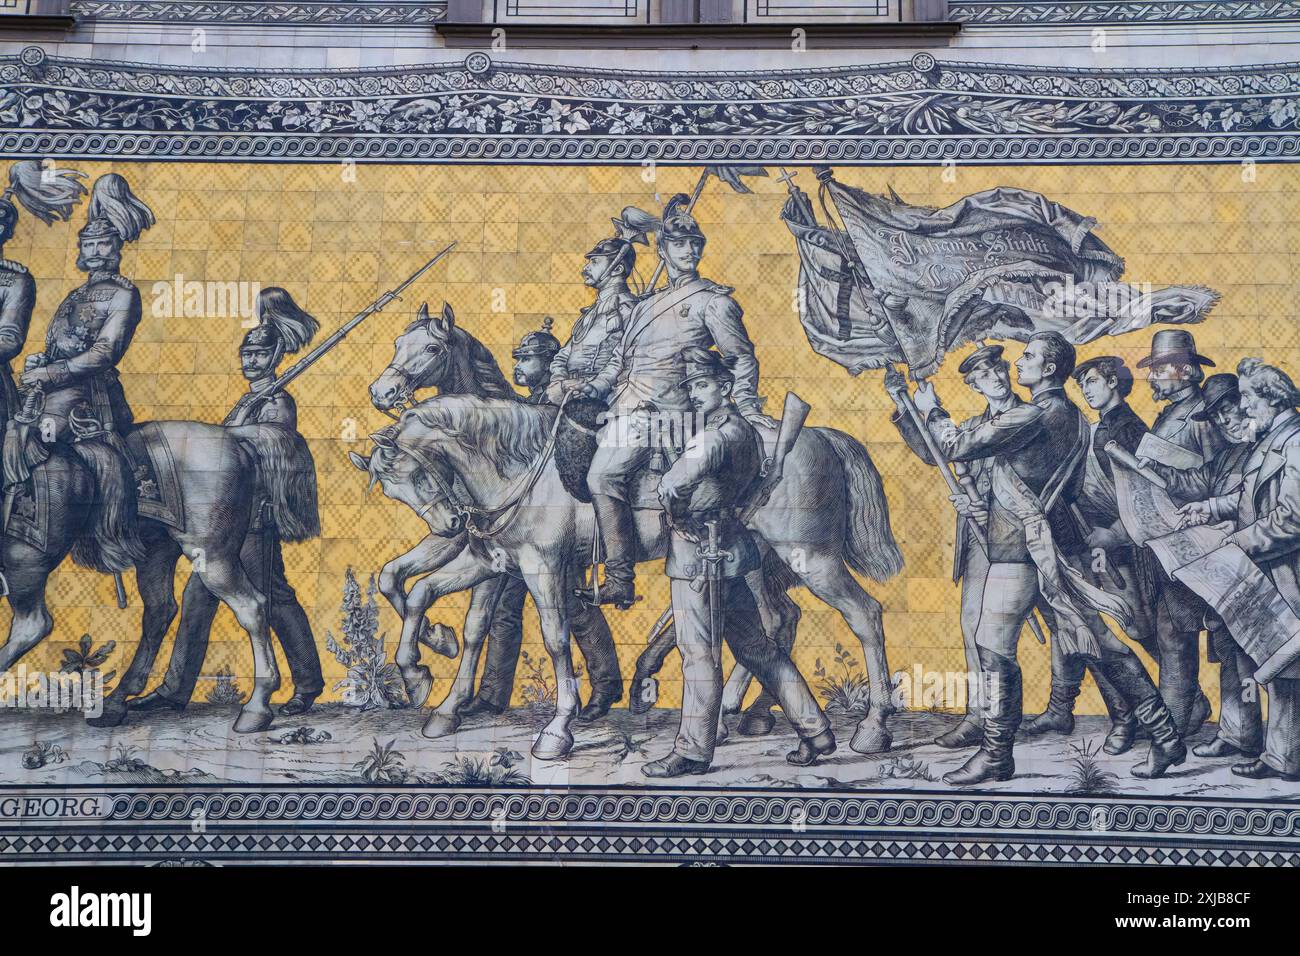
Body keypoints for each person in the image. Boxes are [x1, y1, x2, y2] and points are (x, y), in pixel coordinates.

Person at [912, 332, 1186, 785]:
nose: (1019, 363)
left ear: (1051, 369)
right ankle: (1167, 735)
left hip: (1021, 547)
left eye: (1029, 357)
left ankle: (996, 755)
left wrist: (932, 408)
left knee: (993, 643)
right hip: (1049, 544)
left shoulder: (1035, 413)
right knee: (1101, 640)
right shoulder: (1074, 416)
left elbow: (959, 444)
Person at [129, 288, 324, 716]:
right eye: (247, 353)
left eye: (260, 354)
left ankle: (308, 683)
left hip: (254, 518)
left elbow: (276, 447)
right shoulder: (247, 400)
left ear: (276, 357)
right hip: (220, 520)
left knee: (273, 596)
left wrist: (234, 437)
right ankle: (175, 691)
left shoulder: (276, 400)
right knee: (199, 597)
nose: (251, 360)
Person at [641, 347, 832, 778]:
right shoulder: (741, 430)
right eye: (691, 387)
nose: (695, 394)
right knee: (756, 648)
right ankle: (815, 729)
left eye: (703, 385)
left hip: (699, 558)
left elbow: (671, 486)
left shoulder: (714, 436)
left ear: (725, 387)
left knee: (699, 654)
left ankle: (692, 751)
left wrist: (676, 519)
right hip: (733, 548)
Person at [578, 194, 772, 609]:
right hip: (622, 406)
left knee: (601, 477)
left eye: (696, 244)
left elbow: (740, 358)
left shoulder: (712, 302)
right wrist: (593, 387)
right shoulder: (643, 305)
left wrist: (746, 404)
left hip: (665, 414)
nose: (691, 251)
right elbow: (618, 360)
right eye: (681, 244)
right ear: (663, 251)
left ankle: (619, 578)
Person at [886, 344, 1049, 749]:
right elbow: (936, 450)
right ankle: (982, 715)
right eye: (984, 376)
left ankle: (1067, 711)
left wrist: (935, 410)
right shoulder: (975, 424)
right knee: (975, 624)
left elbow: (1019, 482)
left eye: (997, 370)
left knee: (1067, 625)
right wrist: (906, 407)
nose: (994, 377)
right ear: (974, 385)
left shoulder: (1026, 416)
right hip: (982, 539)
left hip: (1027, 538)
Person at [461, 317, 624, 721]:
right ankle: (493, 694)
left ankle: (604, 685)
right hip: (515, 531)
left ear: (550, 363)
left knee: (571, 607)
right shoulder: (523, 407)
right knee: (502, 610)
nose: (518, 366)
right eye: (517, 358)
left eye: (527, 359)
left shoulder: (560, 408)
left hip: (553, 529)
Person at [1022, 355, 1154, 754]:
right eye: (1083, 384)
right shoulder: (1096, 427)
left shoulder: (1127, 428)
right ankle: (1065, 707)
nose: (1087, 390)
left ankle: (1159, 712)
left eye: (1093, 382)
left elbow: (1140, 493)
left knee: (1135, 630)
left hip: (1121, 543)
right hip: (1088, 538)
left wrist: (1112, 535)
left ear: (1114, 382)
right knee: (1076, 623)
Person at [1175, 359, 1300, 780]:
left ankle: (1285, 758)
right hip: (1260, 569)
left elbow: (1293, 519)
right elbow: (1246, 499)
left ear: (1272, 398)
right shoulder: (1270, 442)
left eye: (1248, 397)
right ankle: (1247, 737)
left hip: (1286, 573)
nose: (1243, 408)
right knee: (1244, 652)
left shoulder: (1296, 444)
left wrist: (1239, 541)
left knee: (1286, 667)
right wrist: (1209, 508)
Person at [1150, 373, 1262, 761]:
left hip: (1267, 567)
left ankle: (1269, 743)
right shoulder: (1227, 455)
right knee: (1232, 652)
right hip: (1232, 568)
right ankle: (1239, 734)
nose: (1226, 421)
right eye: (1217, 417)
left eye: (1230, 411)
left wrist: (1237, 524)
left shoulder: (1271, 450)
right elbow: (1198, 483)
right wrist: (1150, 467)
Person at [1138, 329, 1224, 737]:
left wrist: (1160, 477)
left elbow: (1216, 482)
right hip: (1169, 541)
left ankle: (1170, 730)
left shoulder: (1202, 416)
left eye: (1159, 370)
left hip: (1196, 543)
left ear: (1187, 372)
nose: (1152, 378)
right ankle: (1184, 715)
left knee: (1175, 635)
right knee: (1171, 632)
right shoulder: (1171, 412)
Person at [546, 237, 638, 406]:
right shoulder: (590, 313)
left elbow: (624, 360)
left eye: (594, 262)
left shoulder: (630, 310)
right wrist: (560, 382)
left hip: (605, 398)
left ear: (617, 268)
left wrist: (593, 387)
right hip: (568, 393)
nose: (585, 268)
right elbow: (564, 355)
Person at [510, 316, 561, 403]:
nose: (516, 366)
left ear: (547, 364)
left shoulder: (555, 398)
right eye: (518, 359)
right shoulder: (536, 398)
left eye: (526, 359)